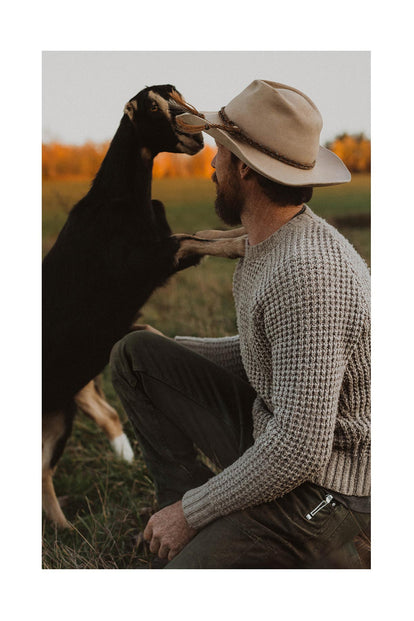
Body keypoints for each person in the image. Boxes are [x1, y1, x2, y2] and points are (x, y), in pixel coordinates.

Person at [110, 80, 371, 569]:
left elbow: (299, 449)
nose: (212, 163)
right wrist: (175, 351)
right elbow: (273, 354)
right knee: (136, 355)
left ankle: (349, 555)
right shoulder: (269, 241)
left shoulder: (308, 272)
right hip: (279, 436)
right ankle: (182, 510)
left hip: (330, 494)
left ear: (246, 168)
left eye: (221, 152)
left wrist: (192, 513)